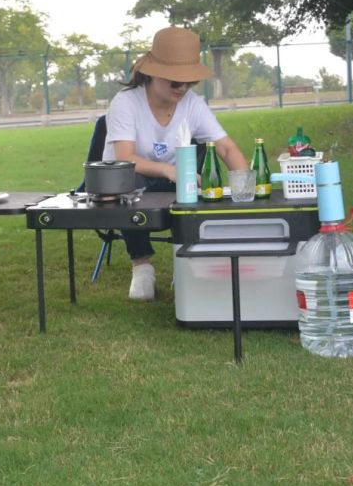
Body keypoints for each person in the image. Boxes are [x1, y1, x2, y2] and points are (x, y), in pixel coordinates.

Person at [102, 26, 248, 300]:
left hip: (174, 181)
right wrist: (173, 171)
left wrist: (246, 185)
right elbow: (124, 158)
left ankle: (185, 261)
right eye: (174, 81)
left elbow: (226, 147)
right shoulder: (126, 102)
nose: (182, 88)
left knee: (201, 173)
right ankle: (142, 266)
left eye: (189, 81)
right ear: (153, 73)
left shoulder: (193, 104)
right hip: (124, 184)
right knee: (132, 182)